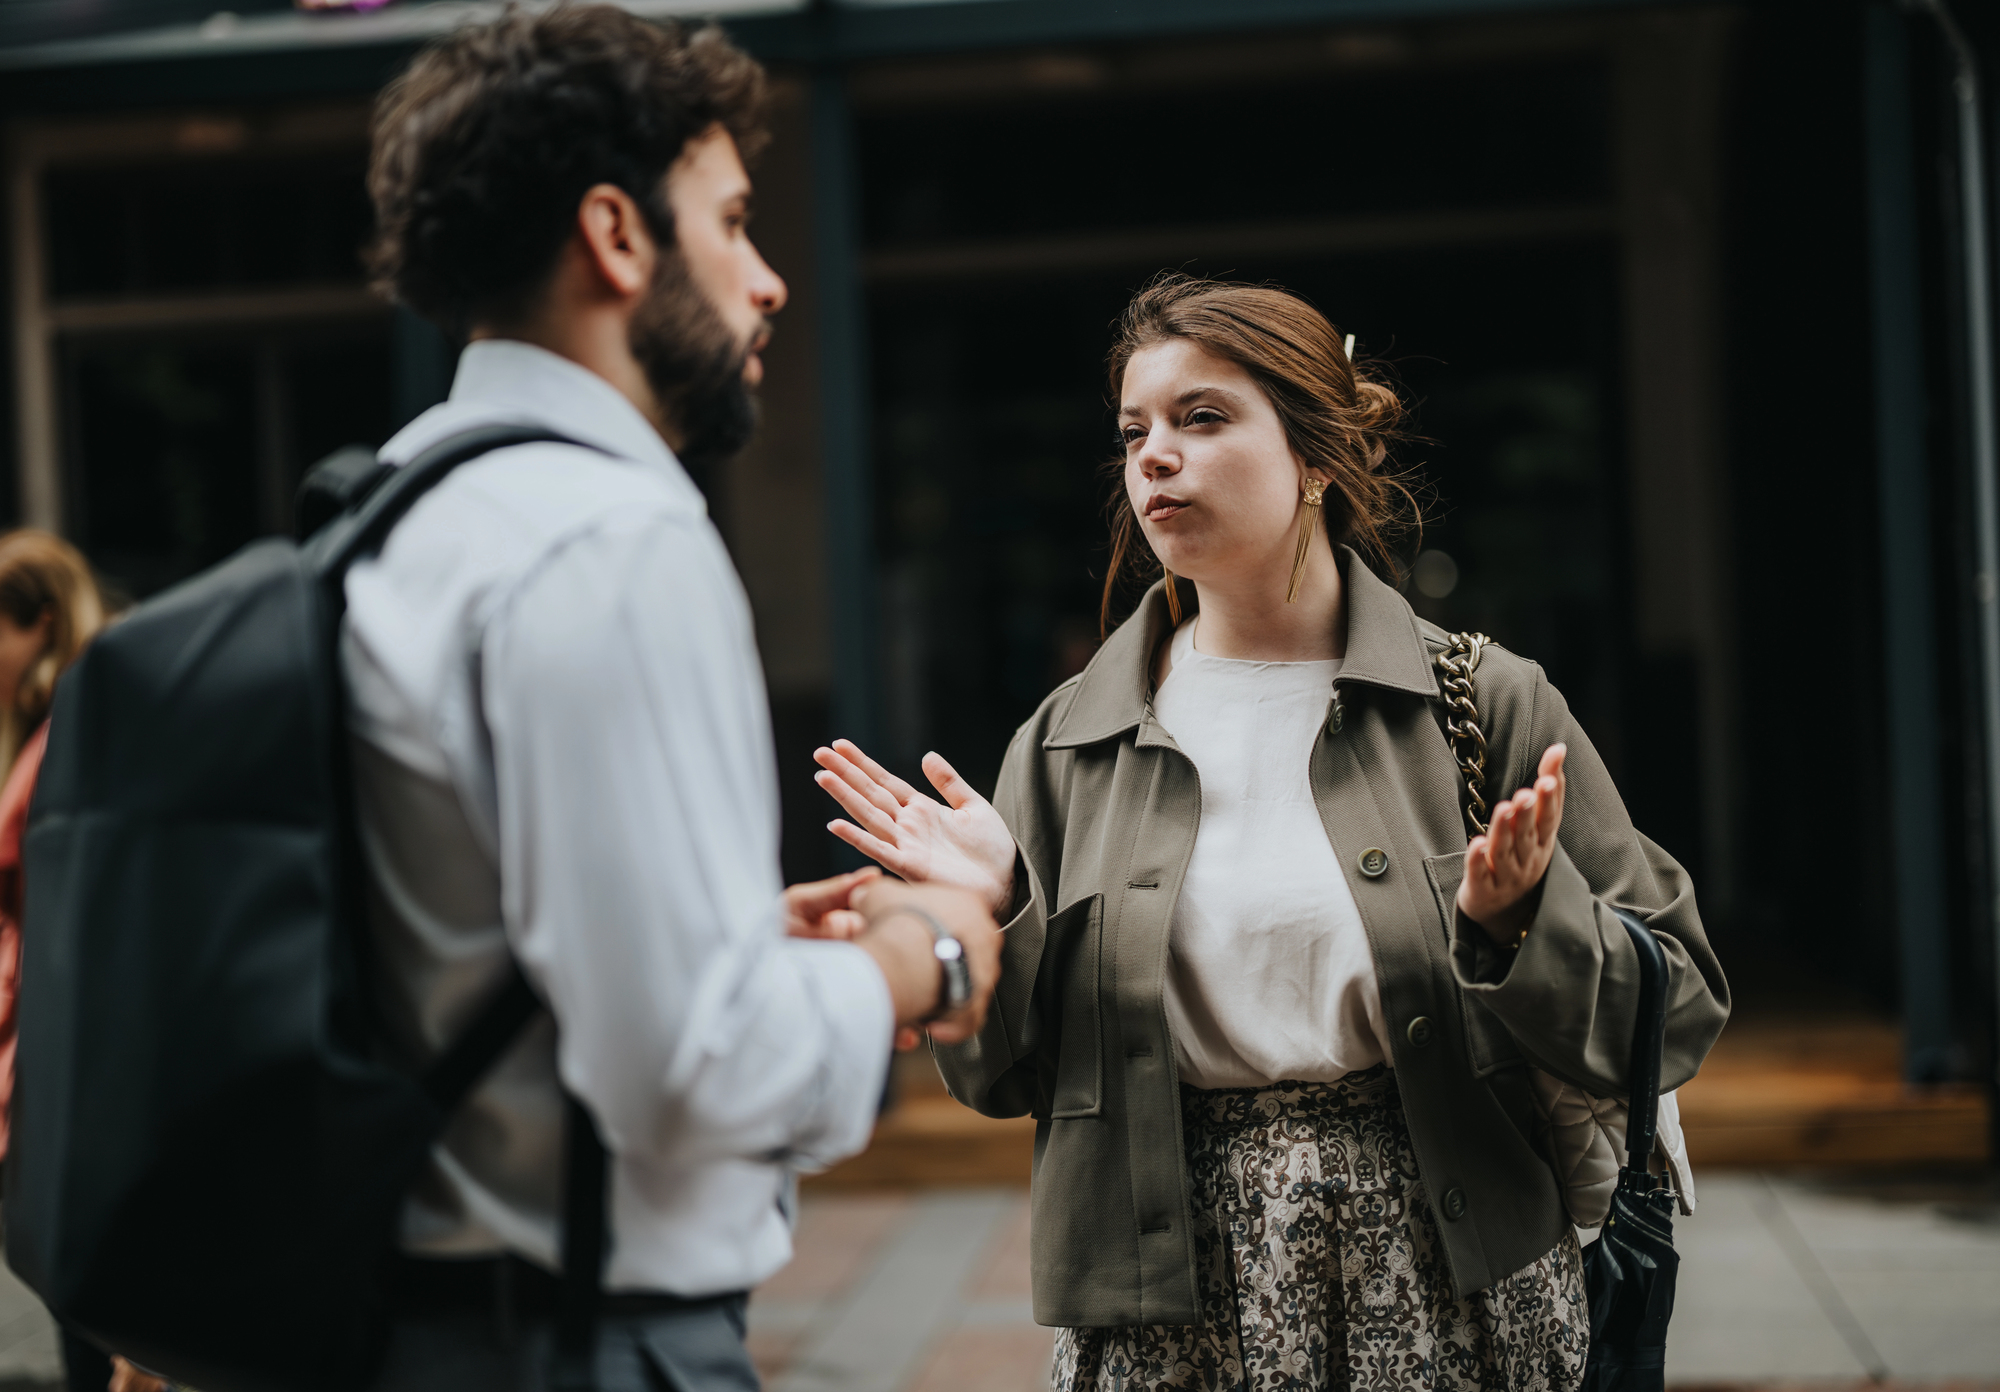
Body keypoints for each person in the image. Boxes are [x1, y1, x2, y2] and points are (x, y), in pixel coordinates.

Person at [813, 275, 1730, 1391]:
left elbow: (1675, 1002)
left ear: (1315, 459)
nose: (1154, 455)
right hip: (1165, 1303)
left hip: (1451, 1282)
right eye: (1132, 431)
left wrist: (1522, 925)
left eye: (1201, 418)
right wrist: (1000, 907)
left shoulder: (1478, 701)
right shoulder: (1064, 744)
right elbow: (999, 1081)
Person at [351, 9, 1000, 1389]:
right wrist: (927, 952)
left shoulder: (393, 506)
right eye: (735, 223)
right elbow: (689, 1072)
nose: (768, 281)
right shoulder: (611, 542)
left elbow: (450, 949)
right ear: (618, 235)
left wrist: (737, 942)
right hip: (585, 1342)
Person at [0, 533, 166, 1392]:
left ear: (43, 625)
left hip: (72, 1079)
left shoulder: (75, 736)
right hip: (51, 1077)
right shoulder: (59, 733)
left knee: (98, 1342)